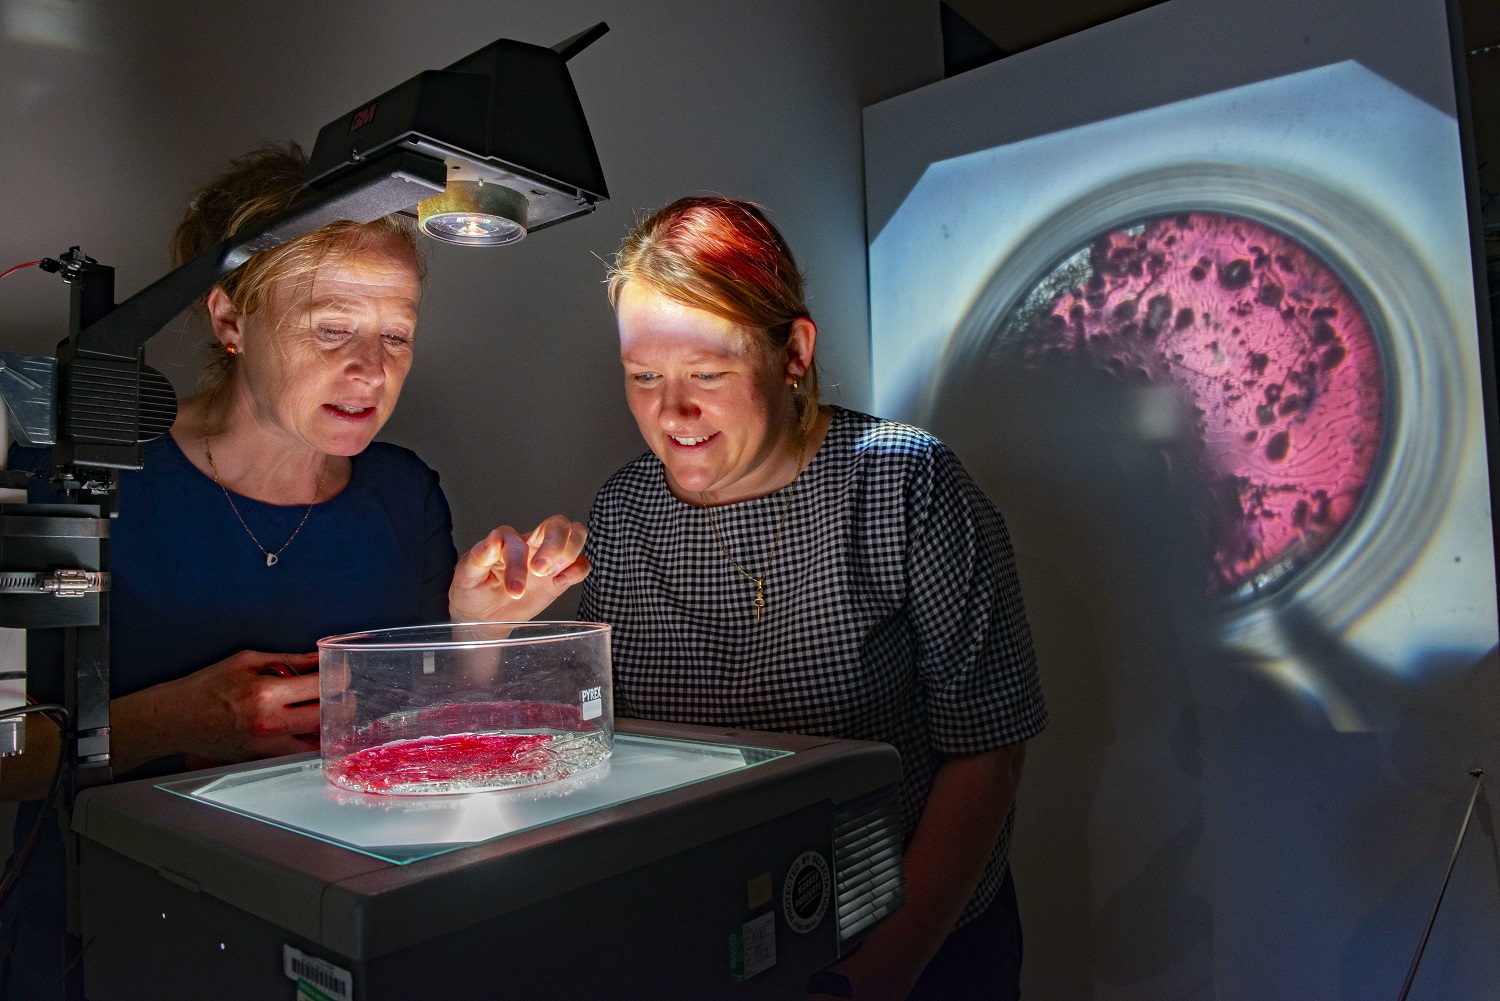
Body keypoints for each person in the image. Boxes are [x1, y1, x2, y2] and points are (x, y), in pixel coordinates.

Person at [0, 143, 587, 999]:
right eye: (331, 327)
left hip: (327, 942)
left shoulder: (402, 495)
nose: (372, 371)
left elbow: (427, 743)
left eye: (397, 334)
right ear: (230, 321)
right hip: (103, 945)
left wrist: (482, 627)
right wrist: (169, 721)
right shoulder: (81, 478)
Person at [579, 198, 1046, 1001]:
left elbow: (990, 748)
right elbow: (600, 748)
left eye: (709, 374)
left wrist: (884, 969)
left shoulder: (903, 485)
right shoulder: (623, 512)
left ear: (792, 352)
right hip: (718, 947)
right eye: (643, 377)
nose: (671, 411)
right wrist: (482, 628)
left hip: (919, 950)